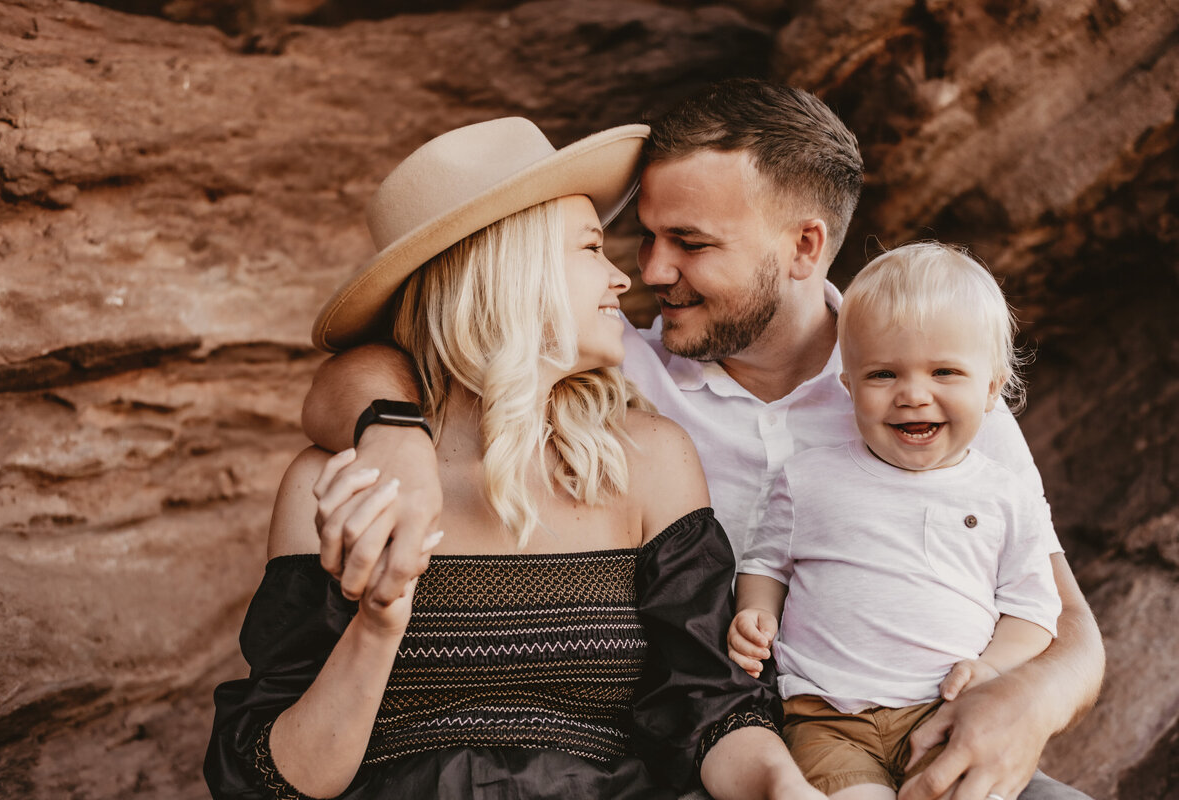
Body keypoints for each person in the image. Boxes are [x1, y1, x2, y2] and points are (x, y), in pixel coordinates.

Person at [300, 79, 1104, 800]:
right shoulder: (621, 377)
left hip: (918, 724)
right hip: (724, 750)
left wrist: (1021, 703)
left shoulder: (922, 397)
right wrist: (392, 436)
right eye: (643, 237)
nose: (651, 269)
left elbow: (1061, 619)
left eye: (690, 242)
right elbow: (380, 362)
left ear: (804, 246)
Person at [205, 116, 821, 799]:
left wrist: (781, 787)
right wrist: (378, 626)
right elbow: (267, 782)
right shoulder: (338, 485)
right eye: (592, 247)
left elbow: (710, 709)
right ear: (507, 269)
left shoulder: (649, 460)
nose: (624, 278)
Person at [728, 242, 1063, 798]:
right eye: (883, 373)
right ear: (849, 387)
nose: (913, 394)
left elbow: (1033, 610)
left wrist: (992, 669)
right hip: (827, 716)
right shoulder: (808, 479)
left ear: (990, 389)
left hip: (946, 712)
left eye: (944, 371)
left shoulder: (1007, 496)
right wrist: (755, 612)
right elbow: (767, 562)